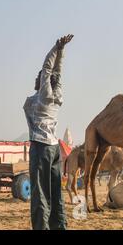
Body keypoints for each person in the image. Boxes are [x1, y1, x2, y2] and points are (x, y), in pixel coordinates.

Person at [23, 34, 74, 230]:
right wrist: (61, 51)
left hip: (41, 146)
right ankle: (59, 226)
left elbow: (47, 68)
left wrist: (56, 47)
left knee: (40, 193)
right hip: (54, 148)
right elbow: (56, 73)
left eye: (39, 78)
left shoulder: (44, 97)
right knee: (55, 192)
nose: (38, 79)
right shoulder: (57, 97)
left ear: (43, 82)